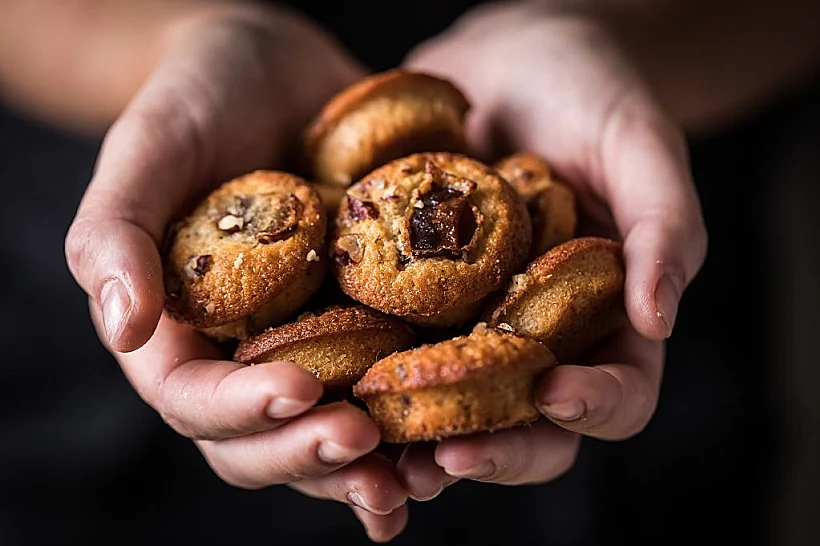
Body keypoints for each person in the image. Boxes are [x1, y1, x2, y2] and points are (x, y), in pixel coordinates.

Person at [1, 0, 818, 544]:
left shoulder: (500, 203)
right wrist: (177, 45)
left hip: (647, 380)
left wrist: (612, 40)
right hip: (85, 434)